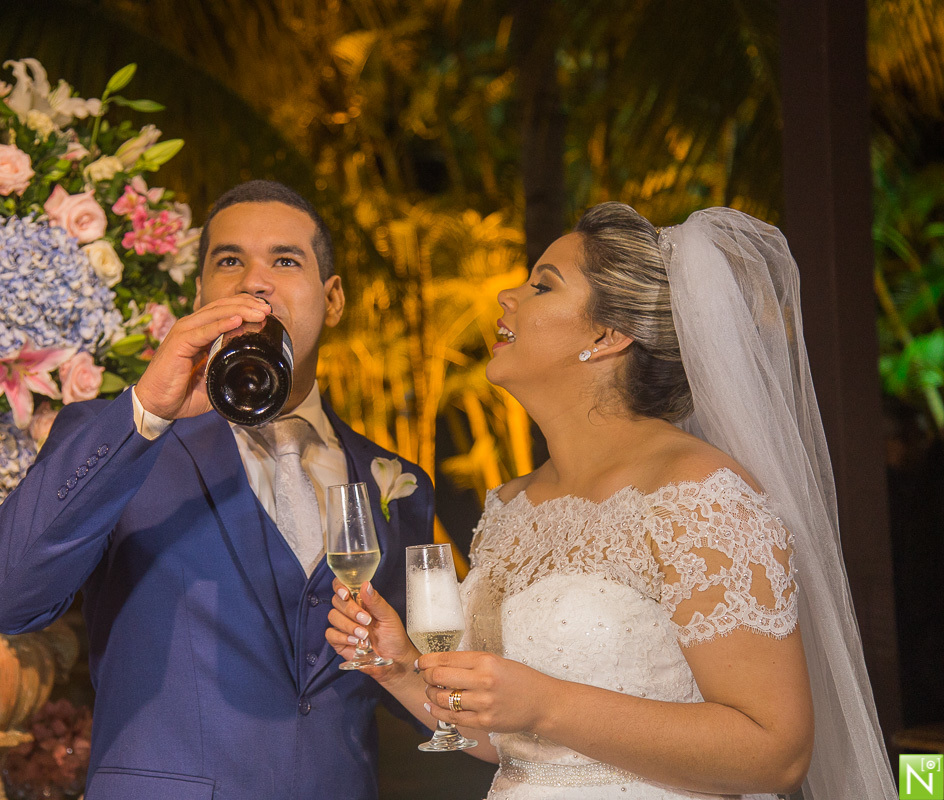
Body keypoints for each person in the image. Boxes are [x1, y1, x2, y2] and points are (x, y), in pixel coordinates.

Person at [328, 203, 897, 799]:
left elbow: (776, 754)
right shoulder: (511, 507)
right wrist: (399, 669)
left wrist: (546, 703)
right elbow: (510, 743)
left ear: (606, 336)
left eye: (542, 285)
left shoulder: (697, 494)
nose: (506, 296)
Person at [0, 180, 434, 800]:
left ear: (333, 298)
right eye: (229, 261)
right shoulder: (124, 439)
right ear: (200, 295)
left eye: (285, 261)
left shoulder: (397, 482)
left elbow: (417, 685)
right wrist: (147, 412)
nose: (254, 283)